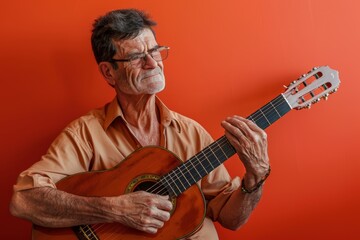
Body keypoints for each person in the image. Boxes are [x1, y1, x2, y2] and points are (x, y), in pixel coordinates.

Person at [9, 9, 270, 239]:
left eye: (155, 51)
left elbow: (232, 220)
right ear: (109, 72)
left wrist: (255, 177)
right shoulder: (86, 133)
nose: (153, 63)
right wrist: (115, 209)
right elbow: (24, 200)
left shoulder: (190, 133)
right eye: (136, 57)